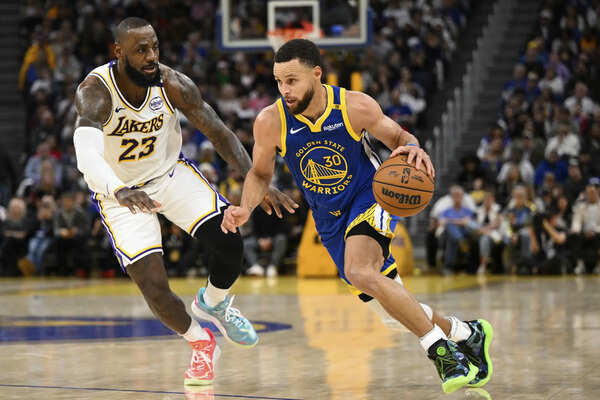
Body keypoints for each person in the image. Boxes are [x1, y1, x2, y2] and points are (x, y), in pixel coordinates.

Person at [221, 39, 493, 394]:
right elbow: (259, 174)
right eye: (279, 82)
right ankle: (465, 333)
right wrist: (246, 206)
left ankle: (442, 353)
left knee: (359, 270)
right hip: (329, 219)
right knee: (390, 313)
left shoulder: (353, 106)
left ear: (316, 74)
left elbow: (398, 135)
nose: (284, 89)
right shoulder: (270, 121)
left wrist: (413, 148)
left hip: (371, 196)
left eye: (292, 80)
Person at [72, 18, 296, 386]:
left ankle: (214, 302)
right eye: (140, 50)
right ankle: (201, 342)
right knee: (155, 288)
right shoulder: (95, 91)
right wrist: (117, 189)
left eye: (154, 47)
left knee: (228, 238)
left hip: (169, 175)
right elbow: (87, 154)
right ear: (119, 52)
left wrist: (258, 179)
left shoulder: (172, 83)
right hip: (119, 194)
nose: (151, 57)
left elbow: (220, 134)